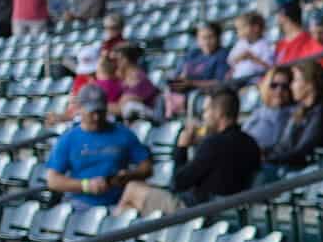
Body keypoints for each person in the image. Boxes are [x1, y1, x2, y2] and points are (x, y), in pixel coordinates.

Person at [118, 88, 261, 215]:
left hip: (198, 211)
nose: (203, 116)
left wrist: (182, 147)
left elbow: (178, 183)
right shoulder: (251, 143)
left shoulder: (213, 143)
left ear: (218, 113)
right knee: (135, 205)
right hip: (231, 212)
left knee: (132, 189)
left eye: (205, 111)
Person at [44, 84, 153, 208]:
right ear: (80, 109)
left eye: (101, 112)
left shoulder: (123, 133)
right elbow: (53, 180)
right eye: (92, 112)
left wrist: (129, 175)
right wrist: (85, 185)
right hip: (82, 203)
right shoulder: (69, 138)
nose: (96, 117)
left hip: (120, 201)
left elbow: (146, 167)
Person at [265, 59, 323, 171]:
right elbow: (282, 146)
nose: (291, 86)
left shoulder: (321, 114)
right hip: (284, 165)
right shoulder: (299, 110)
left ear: (309, 85)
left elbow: (302, 152)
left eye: (295, 80)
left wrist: (269, 159)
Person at [243, 66, 294, 152]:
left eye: (284, 86)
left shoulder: (294, 113)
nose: (279, 91)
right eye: (274, 85)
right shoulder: (259, 110)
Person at [170, 21, 230, 90]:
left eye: (211, 37)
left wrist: (192, 83)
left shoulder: (223, 55)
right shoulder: (192, 54)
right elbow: (177, 76)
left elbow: (220, 82)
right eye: (203, 38)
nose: (207, 42)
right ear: (197, 39)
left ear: (219, 38)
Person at [112, 44, 160, 119]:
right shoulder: (121, 78)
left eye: (116, 60)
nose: (113, 63)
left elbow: (120, 109)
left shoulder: (138, 79)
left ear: (125, 60)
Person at [228, 11, 275, 82]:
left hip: (254, 80)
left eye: (242, 28)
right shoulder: (240, 43)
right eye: (238, 29)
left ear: (256, 28)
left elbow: (269, 67)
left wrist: (253, 58)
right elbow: (230, 60)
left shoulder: (266, 45)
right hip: (237, 79)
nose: (238, 31)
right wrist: (239, 57)